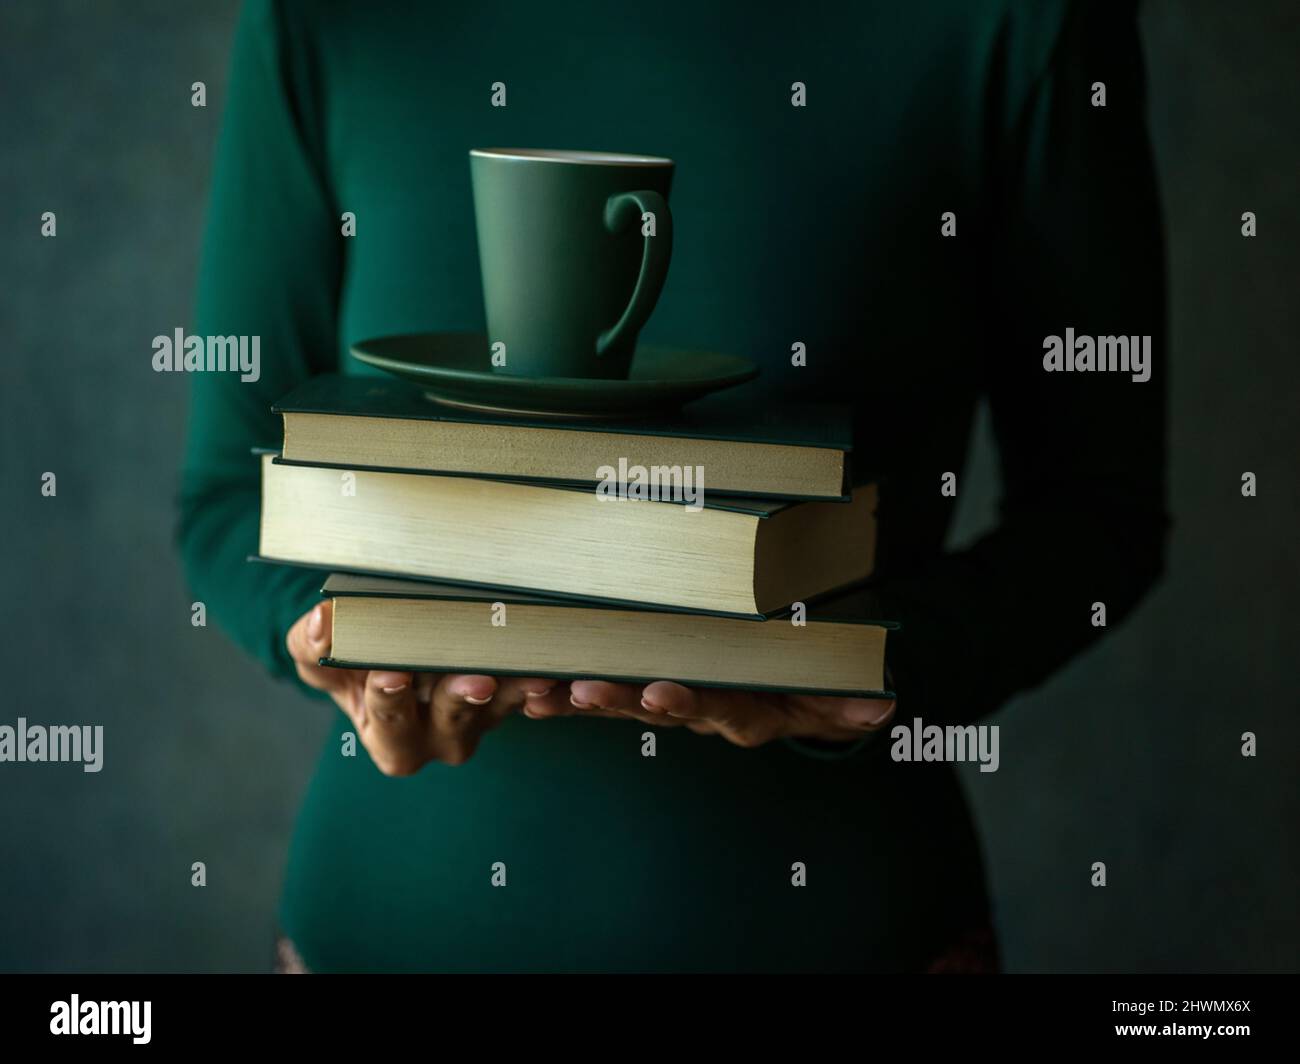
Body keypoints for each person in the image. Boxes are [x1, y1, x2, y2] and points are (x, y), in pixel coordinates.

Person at [179, 0, 1167, 972]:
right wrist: (341, 639)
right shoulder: (325, 21)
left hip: (841, 922)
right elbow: (228, 493)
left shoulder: (1022, 21)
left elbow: (1097, 513)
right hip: (392, 919)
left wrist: (867, 658)